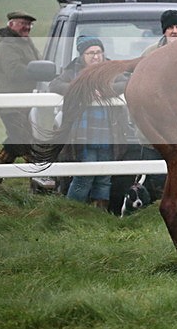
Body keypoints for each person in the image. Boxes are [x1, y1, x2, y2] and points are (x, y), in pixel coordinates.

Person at [49, 36, 128, 209]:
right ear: (82, 55)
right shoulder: (73, 71)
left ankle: (98, 216)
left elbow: (126, 82)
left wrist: (106, 91)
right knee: (83, 177)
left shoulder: (111, 69)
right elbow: (54, 85)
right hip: (83, 134)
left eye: (98, 52)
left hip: (109, 133)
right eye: (90, 53)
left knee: (105, 177)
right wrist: (81, 91)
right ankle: (71, 212)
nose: (96, 56)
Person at [138, 9, 177, 200]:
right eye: (170, 27)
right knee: (158, 176)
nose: (175, 31)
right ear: (164, 31)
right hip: (157, 127)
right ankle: (159, 207)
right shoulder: (150, 54)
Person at [0, 11, 41, 181]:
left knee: (15, 140)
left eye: (29, 25)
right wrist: (38, 72)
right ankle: (42, 178)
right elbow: (14, 72)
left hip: (27, 103)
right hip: (11, 105)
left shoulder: (25, 42)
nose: (27, 28)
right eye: (22, 24)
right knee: (25, 141)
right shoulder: (7, 46)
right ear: (11, 25)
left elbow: (39, 61)